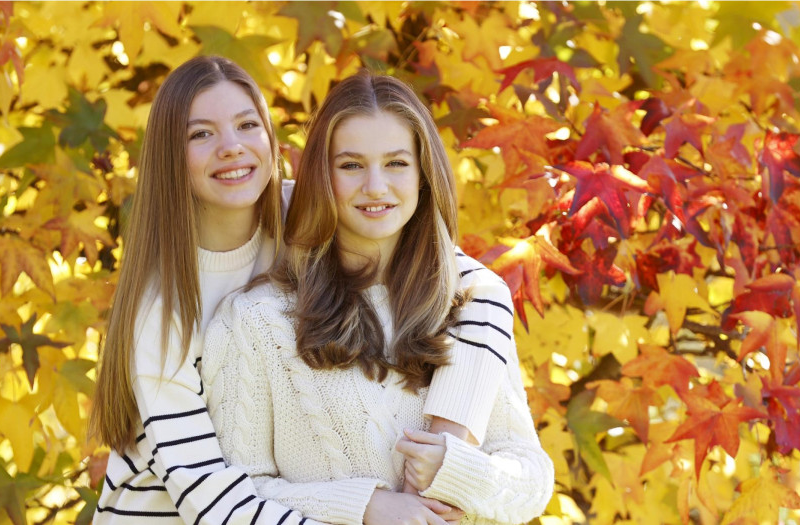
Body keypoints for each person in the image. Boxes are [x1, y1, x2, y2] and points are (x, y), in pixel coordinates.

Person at [89, 56, 508, 524]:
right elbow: (210, 502)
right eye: (200, 133)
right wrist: (369, 508)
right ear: (170, 156)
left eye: (247, 125)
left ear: (270, 137)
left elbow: (472, 284)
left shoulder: (306, 213)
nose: (231, 147)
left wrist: (448, 440)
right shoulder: (163, 311)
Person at [202, 71, 553, 525]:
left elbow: (531, 478)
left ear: (424, 175)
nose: (375, 186)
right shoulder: (256, 321)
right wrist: (366, 507)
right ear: (321, 177)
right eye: (351, 165)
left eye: (396, 163)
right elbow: (236, 498)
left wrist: (460, 470)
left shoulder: (470, 306)